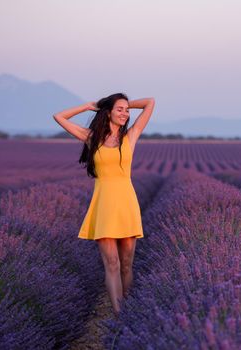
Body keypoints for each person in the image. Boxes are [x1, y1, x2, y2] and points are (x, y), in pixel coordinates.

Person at [53, 93, 155, 315]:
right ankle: (119, 315)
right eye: (119, 109)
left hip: (127, 203)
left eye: (127, 110)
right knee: (112, 265)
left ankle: (128, 310)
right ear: (108, 112)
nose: (125, 113)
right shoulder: (92, 138)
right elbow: (58, 116)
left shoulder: (131, 136)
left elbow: (150, 102)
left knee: (127, 265)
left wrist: (125, 103)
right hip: (104, 206)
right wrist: (91, 106)